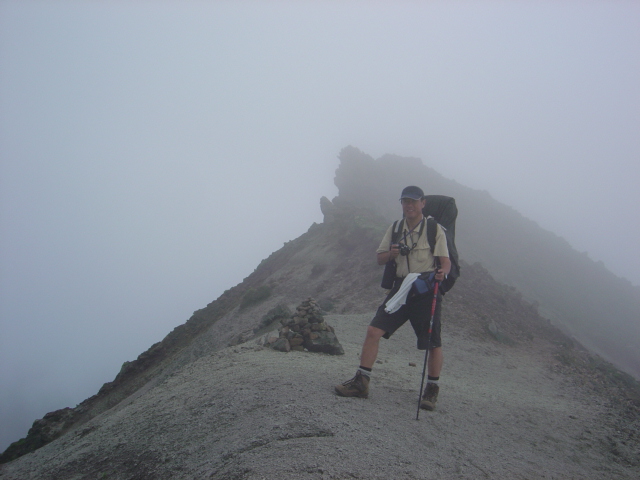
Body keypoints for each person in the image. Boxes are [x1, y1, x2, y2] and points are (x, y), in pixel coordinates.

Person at [335, 185, 451, 410]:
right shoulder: (396, 228)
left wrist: (442, 274)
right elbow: (380, 258)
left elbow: (445, 262)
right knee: (373, 330)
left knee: (433, 342)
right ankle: (361, 383)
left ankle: (432, 390)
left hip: (426, 289)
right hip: (400, 288)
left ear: (423, 203)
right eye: (405, 201)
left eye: (413, 201)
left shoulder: (434, 228)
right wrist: (392, 254)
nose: (409, 205)